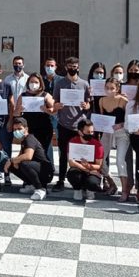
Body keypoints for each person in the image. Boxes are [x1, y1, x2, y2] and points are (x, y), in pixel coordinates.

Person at [52, 56, 91, 192]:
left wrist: (86, 105)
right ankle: (61, 179)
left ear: (78, 68)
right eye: (70, 66)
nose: (72, 69)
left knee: (82, 154)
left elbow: (88, 102)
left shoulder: (84, 84)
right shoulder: (60, 83)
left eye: (75, 67)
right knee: (63, 154)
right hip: (64, 124)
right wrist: (57, 105)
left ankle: (82, 181)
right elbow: (54, 102)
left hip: (79, 126)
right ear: (66, 67)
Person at [4, 118, 53, 200]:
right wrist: (11, 161)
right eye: (15, 129)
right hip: (37, 168)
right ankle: (31, 185)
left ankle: (40, 189)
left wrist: (12, 160)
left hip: (46, 171)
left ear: (26, 129)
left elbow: (28, 156)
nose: (16, 131)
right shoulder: (23, 140)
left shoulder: (29, 139)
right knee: (12, 164)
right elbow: (20, 156)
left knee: (24, 163)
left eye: (19, 129)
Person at [99, 78, 129, 199]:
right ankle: (111, 183)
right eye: (107, 88)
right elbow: (101, 117)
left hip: (121, 133)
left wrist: (121, 124)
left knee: (120, 161)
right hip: (107, 132)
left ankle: (125, 191)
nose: (109, 90)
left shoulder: (123, 101)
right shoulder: (101, 100)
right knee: (99, 159)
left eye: (112, 88)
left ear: (117, 89)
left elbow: (129, 118)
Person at [15, 73, 54, 160]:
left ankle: (46, 171)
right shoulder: (23, 95)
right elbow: (16, 114)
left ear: (40, 83)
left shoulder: (46, 95)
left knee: (42, 152)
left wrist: (47, 110)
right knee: (29, 151)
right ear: (28, 83)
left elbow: (54, 111)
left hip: (44, 128)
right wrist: (19, 110)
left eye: (36, 82)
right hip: (29, 129)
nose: (33, 84)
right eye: (31, 81)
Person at [66, 119, 104, 201]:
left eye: (92, 132)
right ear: (80, 132)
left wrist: (89, 166)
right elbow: (71, 163)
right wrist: (85, 168)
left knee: (92, 182)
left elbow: (99, 165)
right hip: (81, 169)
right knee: (72, 173)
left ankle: (89, 190)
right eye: (88, 132)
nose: (90, 134)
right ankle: (77, 189)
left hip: (92, 170)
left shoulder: (98, 145)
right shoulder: (73, 142)